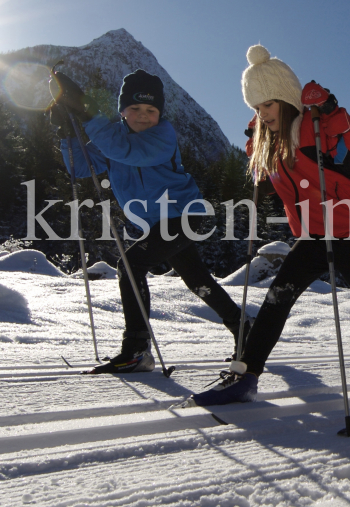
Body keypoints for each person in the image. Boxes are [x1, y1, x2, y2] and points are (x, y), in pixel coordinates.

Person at [191, 45, 350, 405]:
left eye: (268, 104)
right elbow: (261, 165)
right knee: (277, 299)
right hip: (312, 235)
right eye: (256, 107)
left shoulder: (316, 127)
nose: (262, 114)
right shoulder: (267, 142)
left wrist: (334, 113)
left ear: (287, 99)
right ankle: (244, 375)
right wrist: (254, 142)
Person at [52, 69, 250, 373]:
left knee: (130, 266)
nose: (143, 116)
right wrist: (67, 135)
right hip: (155, 223)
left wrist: (88, 114)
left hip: (184, 214)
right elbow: (81, 167)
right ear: (122, 111)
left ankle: (136, 349)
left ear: (160, 114)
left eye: (151, 110)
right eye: (135, 108)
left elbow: (128, 152)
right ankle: (244, 332)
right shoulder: (112, 137)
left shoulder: (162, 136)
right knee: (197, 279)